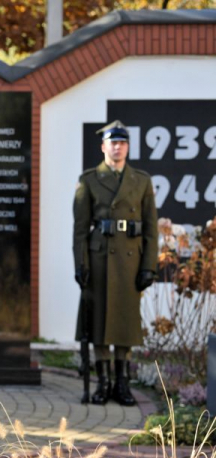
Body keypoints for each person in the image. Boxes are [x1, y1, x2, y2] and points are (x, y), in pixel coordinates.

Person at [73, 120, 158, 406]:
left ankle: (122, 383)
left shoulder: (142, 181)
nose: (117, 147)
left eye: (122, 142)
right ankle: (102, 382)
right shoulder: (89, 180)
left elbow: (151, 228)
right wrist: (80, 264)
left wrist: (149, 266)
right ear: (103, 146)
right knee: (97, 322)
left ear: (128, 147)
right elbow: (80, 229)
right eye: (113, 142)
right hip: (99, 259)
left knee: (124, 322)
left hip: (130, 260)